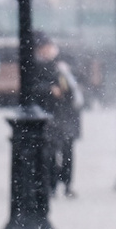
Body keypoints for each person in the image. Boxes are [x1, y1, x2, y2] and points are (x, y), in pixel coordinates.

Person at [33, 33, 82, 197]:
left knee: (67, 150)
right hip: (51, 114)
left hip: (68, 114)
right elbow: (33, 88)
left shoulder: (66, 59)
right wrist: (49, 89)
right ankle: (52, 185)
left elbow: (80, 77)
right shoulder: (38, 64)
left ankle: (67, 185)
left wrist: (68, 71)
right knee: (50, 152)